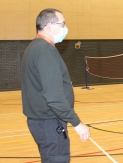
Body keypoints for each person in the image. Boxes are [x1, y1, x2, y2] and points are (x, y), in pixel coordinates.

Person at [21, 8, 90, 163]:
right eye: (62, 24)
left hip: (42, 122)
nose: (65, 28)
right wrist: (76, 123)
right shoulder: (45, 51)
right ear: (48, 25)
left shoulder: (35, 47)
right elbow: (53, 96)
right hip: (49, 124)